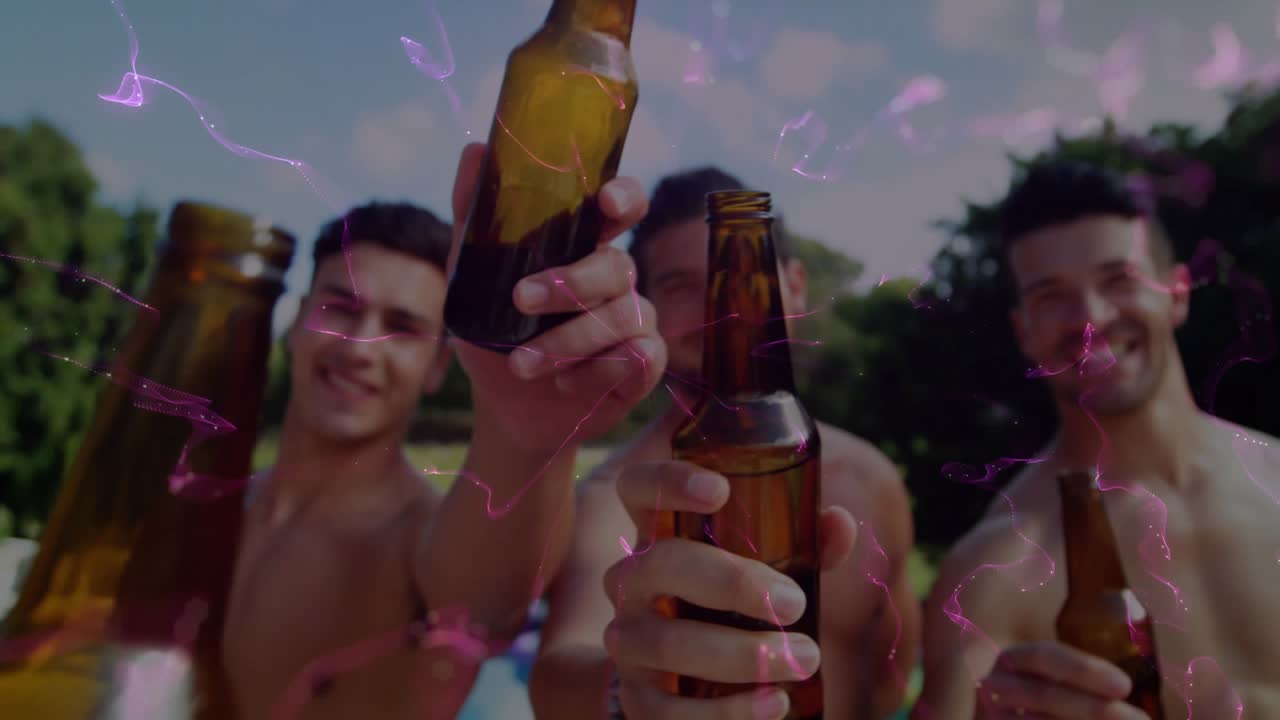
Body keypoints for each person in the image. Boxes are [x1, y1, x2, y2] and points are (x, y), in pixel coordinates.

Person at [221, 142, 666, 720]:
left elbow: (487, 604)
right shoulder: (218, 505)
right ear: (298, 320)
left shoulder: (421, 540)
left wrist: (526, 437)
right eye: (341, 309)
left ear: (437, 366)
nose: (361, 346)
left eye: (402, 328)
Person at [530, 166, 920, 719]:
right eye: (682, 285)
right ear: (648, 309)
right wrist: (631, 689)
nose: (725, 302)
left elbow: (893, 679)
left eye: (742, 271)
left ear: (797, 285)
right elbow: (558, 672)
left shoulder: (872, 478)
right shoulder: (623, 498)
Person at [913, 160, 1280, 720]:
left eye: (1119, 280)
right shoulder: (993, 575)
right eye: (1051, 295)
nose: (1090, 319)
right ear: (1023, 332)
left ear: (1177, 292)